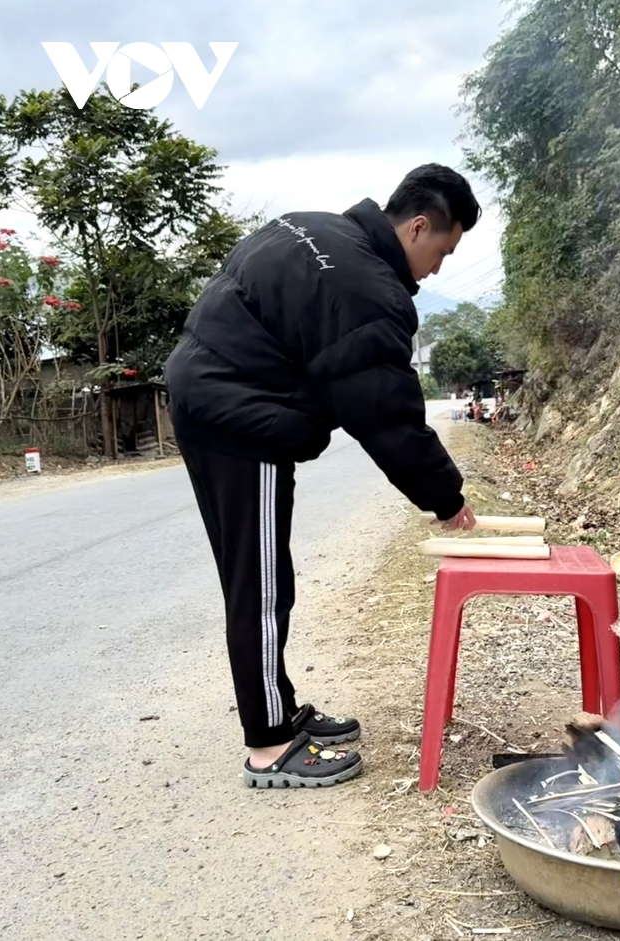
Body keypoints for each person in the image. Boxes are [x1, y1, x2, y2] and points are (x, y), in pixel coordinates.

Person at [165, 165, 481, 788]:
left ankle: (278, 711)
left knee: (265, 574)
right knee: (257, 581)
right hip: (237, 420)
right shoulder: (364, 287)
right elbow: (386, 416)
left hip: (217, 400)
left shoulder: (314, 227)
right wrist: (447, 498)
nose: (437, 269)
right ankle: (269, 745)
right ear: (418, 227)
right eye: (442, 251)